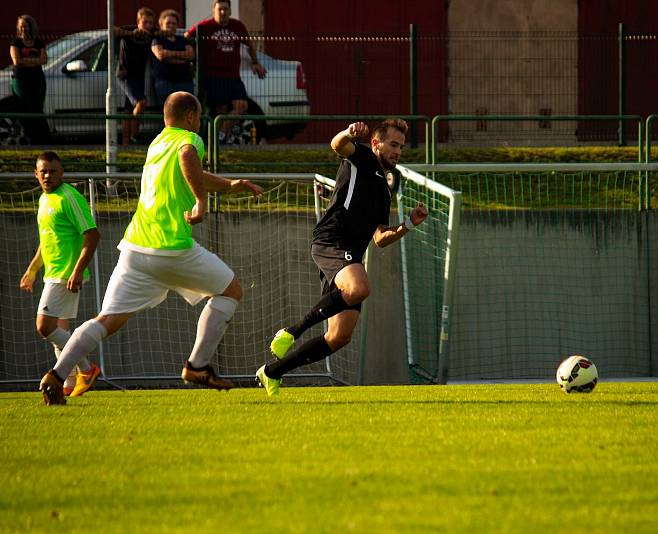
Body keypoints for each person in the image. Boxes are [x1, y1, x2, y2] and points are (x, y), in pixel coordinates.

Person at [38, 92, 264, 406]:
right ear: (190, 117)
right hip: (172, 247)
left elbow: (188, 173)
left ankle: (57, 375)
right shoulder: (189, 139)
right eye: (198, 117)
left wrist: (228, 185)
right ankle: (197, 366)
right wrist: (201, 202)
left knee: (106, 321)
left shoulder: (157, 143)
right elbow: (188, 158)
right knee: (231, 290)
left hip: (135, 249)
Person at [256, 119, 428, 396]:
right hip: (332, 240)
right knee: (360, 288)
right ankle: (291, 331)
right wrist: (348, 132)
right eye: (393, 144)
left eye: (401, 147)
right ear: (376, 143)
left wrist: (408, 223)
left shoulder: (385, 189)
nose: (398, 151)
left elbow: (381, 238)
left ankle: (272, 372)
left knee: (339, 337)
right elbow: (337, 145)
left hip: (349, 256)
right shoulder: (362, 158)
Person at [21, 152, 101, 397]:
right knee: (61, 330)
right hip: (52, 273)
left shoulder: (69, 197)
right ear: (36, 174)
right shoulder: (45, 200)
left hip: (65, 274)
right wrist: (32, 270)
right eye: (43, 171)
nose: (47, 175)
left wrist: (77, 271)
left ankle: (87, 369)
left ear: (61, 173)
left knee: (44, 327)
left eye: (52, 171)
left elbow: (92, 234)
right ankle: (67, 384)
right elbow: (47, 242)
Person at [185, 0, 266, 144]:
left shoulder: (237, 26)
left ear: (230, 11)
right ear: (214, 10)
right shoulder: (205, 26)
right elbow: (187, 36)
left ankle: (220, 135)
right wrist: (191, 53)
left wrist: (255, 62)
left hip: (234, 76)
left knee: (241, 106)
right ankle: (216, 143)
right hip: (213, 76)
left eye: (226, 9)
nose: (223, 12)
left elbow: (249, 44)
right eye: (220, 9)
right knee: (220, 111)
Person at [116, 7, 155, 146]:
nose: (148, 26)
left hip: (139, 77)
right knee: (141, 102)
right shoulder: (129, 31)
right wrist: (131, 33)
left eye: (150, 23)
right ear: (138, 22)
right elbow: (113, 30)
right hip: (125, 75)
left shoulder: (152, 34)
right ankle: (134, 134)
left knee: (128, 111)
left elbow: (164, 33)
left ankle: (126, 145)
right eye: (145, 22)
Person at [9, 14, 50, 143]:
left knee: (38, 108)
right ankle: (29, 137)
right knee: (26, 107)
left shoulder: (38, 43)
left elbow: (44, 60)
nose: (23, 30)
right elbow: (17, 61)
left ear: (32, 28)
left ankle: (41, 138)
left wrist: (26, 61)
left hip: (37, 80)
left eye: (26, 27)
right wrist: (35, 61)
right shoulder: (16, 43)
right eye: (21, 27)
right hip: (21, 80)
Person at [150, 9, 195, 106]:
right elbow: (161, 55)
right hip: (164, 83)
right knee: (169, 112)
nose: (171, 25)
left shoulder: (183, 40)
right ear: (161, 24)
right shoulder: (157, 40)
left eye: (174, 23)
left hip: (185, 82)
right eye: (168, 23)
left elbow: (191, 55)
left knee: (185, 111)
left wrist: (169, 56)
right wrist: (182, 57)